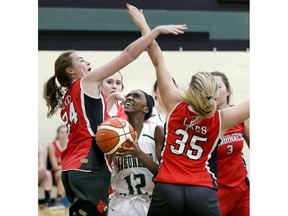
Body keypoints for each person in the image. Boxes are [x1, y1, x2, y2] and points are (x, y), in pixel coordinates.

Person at [43, 22, 187, 216]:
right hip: (89, 166)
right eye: (81, 60)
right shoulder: (85, 82)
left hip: (72, 169)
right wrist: (155, 32)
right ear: (70, 70)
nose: (87, 63)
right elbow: (128, 54)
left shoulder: (70, 96)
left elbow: (91, 124)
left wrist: (110, 99)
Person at [126, 4, 249, 216]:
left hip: (167, 186)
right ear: (214, 93)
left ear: (191, 88)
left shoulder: (174, 104)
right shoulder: (223, 118)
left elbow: (157, 58)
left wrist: (146, 27)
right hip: (202, 189)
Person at [108, 89, 164, 216]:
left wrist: (139, 154)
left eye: (136, 96)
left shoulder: (156, 131)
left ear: (146, 109)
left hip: (150, 202)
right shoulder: (113, 133)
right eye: (128, 96)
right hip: (120, 201)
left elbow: (162, 172)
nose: (129, 98)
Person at [211, 71, 250, 216]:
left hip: (241, 190)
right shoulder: (205, 121)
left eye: (219, 86)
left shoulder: (240, 116)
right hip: (215, 193)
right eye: (210, 87)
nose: (214, 90)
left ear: (228, 91)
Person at [47, 124, 68, 208]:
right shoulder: (52, 146)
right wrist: (67, 168)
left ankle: (67, 200)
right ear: (58, 134)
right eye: (61, 132)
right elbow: (55, 167)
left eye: (66, 132)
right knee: (62, 174)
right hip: (55, 174)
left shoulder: (70, 145)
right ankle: (59, 199)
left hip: (67, 171)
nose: (64, 134)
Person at [38, 144, 54, 209]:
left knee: (48, 174)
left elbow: (41, 162)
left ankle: (47, 202)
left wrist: (42, 167)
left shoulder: (39, 146)